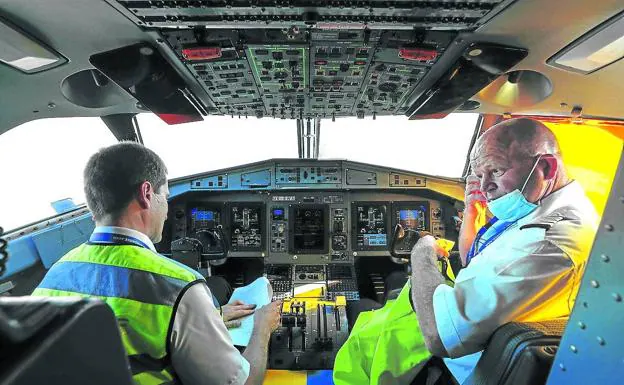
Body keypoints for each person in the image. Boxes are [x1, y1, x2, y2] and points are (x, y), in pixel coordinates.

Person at [32, 142, 282, 385]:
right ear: (146, 194)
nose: (166, 211)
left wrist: (210, 317)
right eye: (166, 197)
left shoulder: (55, 274)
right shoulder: (179, 286)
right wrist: (262, 326)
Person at [410, 118, 599, 383]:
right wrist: (472, 210)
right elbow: (475, 261)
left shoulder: (549, 240)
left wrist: (421, 252)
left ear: (545, 167)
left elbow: (438, 336)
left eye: (496, 170)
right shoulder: (539, 211)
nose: (485, 186)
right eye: (479, 175)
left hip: (468, 371)